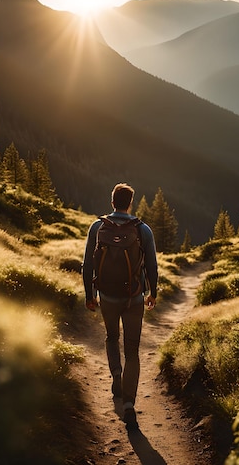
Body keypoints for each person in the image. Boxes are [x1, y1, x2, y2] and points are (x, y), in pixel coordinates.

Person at [82, 183, 158, 431]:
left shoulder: (97, 227)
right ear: (130, 203)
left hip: (107, 296)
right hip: (133, 298)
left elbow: (88, 265)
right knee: (133, 350)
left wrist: (89, 295)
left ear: (112, 201)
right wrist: (153, 292)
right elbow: (152, 266)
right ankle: (128, 404)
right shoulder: (142, 230)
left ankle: (116, 374)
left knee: (112, 337)